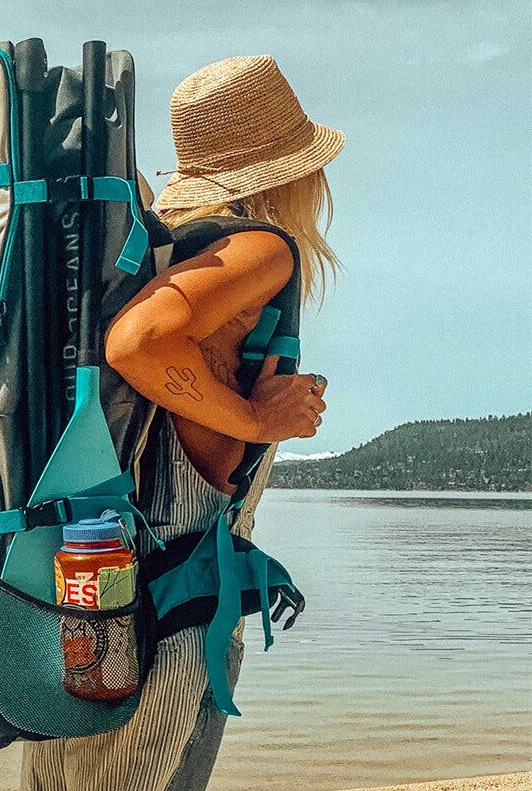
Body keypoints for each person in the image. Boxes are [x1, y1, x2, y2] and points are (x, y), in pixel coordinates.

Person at [21, 54, 344, 791]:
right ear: (291, 170)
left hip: (92, 595)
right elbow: (137, 344)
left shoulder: (145, 248)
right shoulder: (256, 247)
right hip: (172, 608)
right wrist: (258, 419)